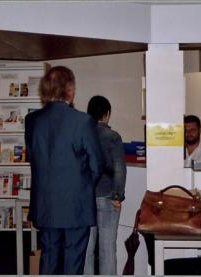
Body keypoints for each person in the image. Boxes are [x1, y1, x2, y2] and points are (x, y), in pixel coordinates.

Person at [24, 66, 104, 275]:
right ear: (70, 90)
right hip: (76, 207)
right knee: (73, 263)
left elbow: (34, 159)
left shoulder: (32, 121)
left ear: (45, 89)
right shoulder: (83, 121)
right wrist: (82, 188)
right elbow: (97, 165)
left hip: (45, 206)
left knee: (48, 260)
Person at [84, 95, 127, 275]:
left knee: (86, 248)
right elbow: (119, 168)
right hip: (108, 196)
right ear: (107, 114)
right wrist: (118, 196)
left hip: (85, 198)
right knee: (107, 248)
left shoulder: (82, 134)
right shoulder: (113, 137)